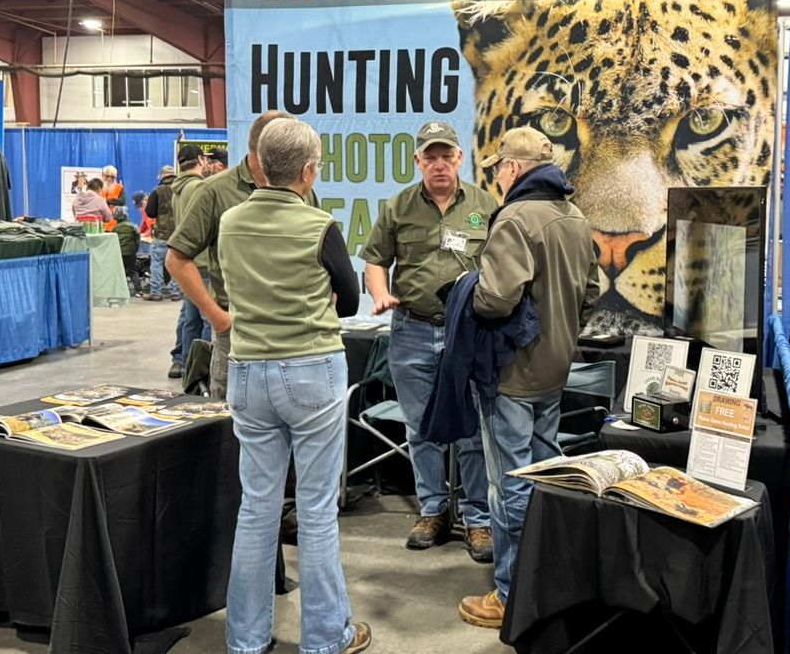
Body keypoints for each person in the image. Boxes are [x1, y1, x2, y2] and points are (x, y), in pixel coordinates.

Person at [217, 117, 371, 654]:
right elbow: (349, 301)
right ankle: (328, 636)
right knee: (316, 510)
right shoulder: (318, 224)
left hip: (248, 371)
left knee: (256, 509)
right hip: (311, 371)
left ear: (259, 164)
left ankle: (245, 639)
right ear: (308, 171)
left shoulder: (231, 221)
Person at [458, 126, 601, 629]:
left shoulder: (515, 218)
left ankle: (510, 593)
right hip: (555, 369)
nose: (496, 174)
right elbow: (592, 290)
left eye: (500, 166)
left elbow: (496, 298)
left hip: (513, 375)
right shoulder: (574, 215)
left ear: (514, 169)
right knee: (548, 476)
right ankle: (547, 581)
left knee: (510, 484)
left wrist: (465, 290)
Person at [360, 120, 497, 562]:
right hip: (412, 330)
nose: (439, 164)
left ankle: (478, 519)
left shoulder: (484, 205)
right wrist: (380, 293)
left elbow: (501, 264)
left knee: (473, 430)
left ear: (460, 158)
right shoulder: (399, 206)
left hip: (469, 333)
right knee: (420, 430)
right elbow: (375, 261)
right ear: (418, 161)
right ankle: (433, 510)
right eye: (430, 156)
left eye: (446, 155)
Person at [167, 110, 314, 402]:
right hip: (238, 338)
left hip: (293, 336)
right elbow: (177, 259)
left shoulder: (304, 190)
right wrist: (217, 317)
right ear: (264, 149)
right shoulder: (215, 191)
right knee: (232, 429)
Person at [170, 144, 213, 378]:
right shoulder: (198, 187)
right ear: (199, 160)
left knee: (190, 318)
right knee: (207, 317)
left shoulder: (178, 189)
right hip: (203, 260)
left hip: (186, 260)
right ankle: (204, 370)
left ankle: (188, 367)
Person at [144, 165, 181, 302]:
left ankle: (156, 292)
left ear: (162, 176)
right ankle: (175, 292)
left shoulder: (157, 191)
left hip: (161, 234)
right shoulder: (181, 189)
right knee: (177, 264)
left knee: (157, 263)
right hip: (178, 234)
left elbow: (150, 212)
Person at [110, 207, 142, 296]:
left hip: (119, 253)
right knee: (133, 271)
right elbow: (137, 239)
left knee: (121, 272)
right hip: (131, 252)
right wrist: (135, 250)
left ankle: (123, 291)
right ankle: (138, 291)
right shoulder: (133, 226)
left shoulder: (114, 229)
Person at [101, 165, 126, 230]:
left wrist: (106, 201)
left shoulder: (119, 187)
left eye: (112, 177)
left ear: (115, 178)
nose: (109, 179)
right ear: (103, 175)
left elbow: (122, 201)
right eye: (107, 176)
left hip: (114, 225)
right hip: (99, 224)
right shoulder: (98, 187)